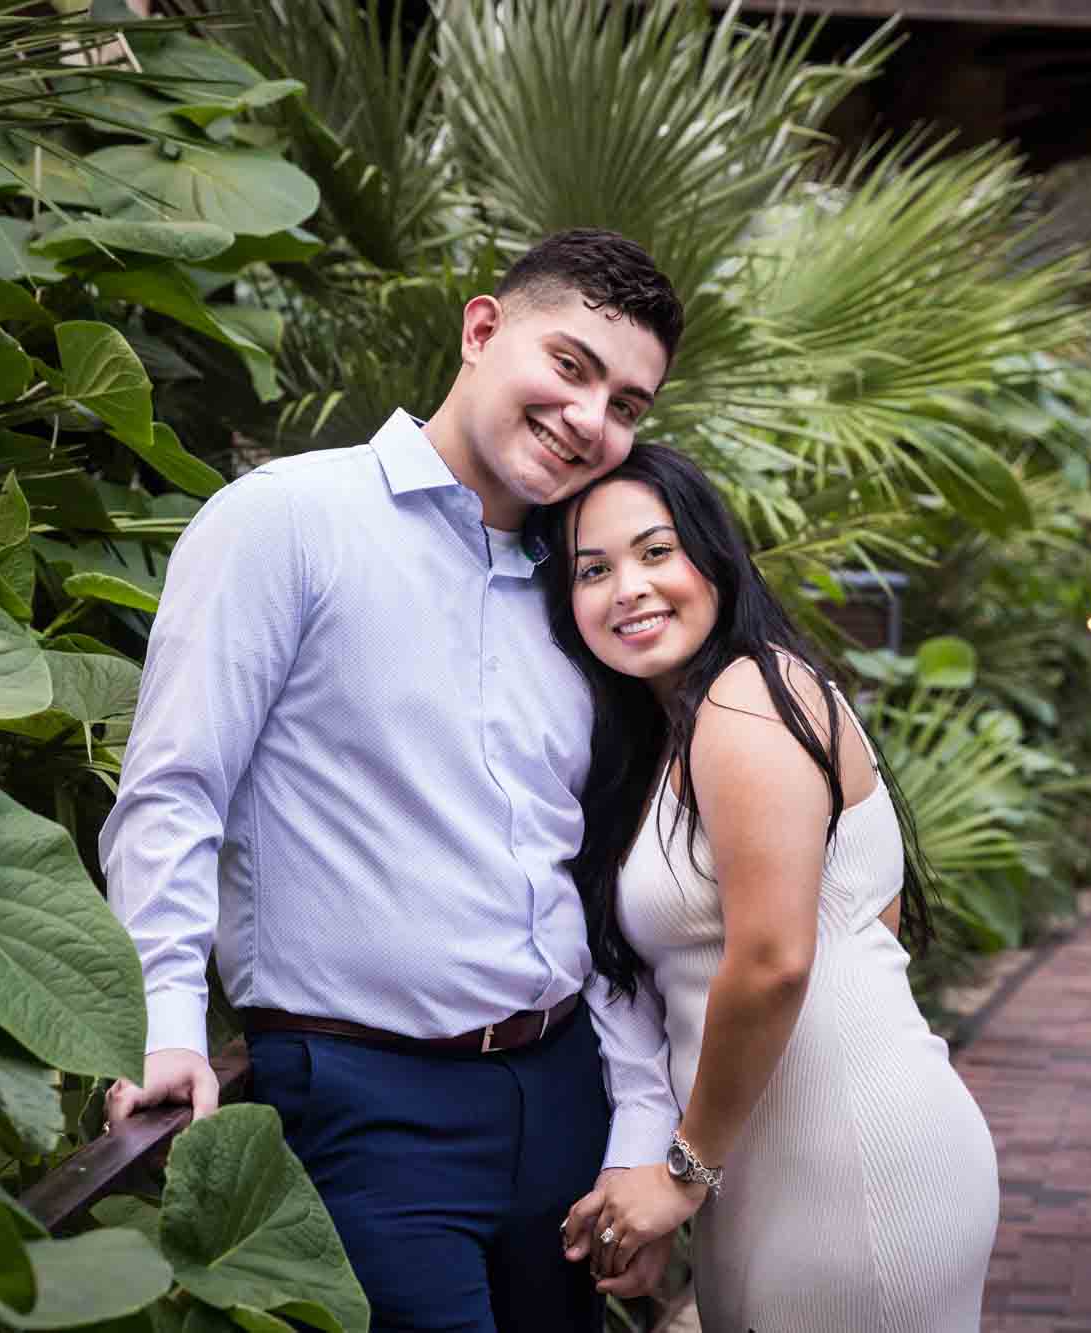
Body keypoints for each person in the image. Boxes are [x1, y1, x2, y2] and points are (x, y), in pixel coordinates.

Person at [97, 229, 688, 1332]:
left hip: (562, 1089)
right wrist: (166, 1026)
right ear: (479, 329)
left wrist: (637, 1131)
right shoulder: (287, 519)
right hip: (364, 1103)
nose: (589, 420)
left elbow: (591, 871)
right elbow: (176, 787)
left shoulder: (582, 588)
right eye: (568, 366)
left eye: (626, 404)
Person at [548, 445, 1001, 1331]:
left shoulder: (748, 697)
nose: (627, 587)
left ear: (713, 557)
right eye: (592, 570)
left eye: (655, 551)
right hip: (759, 1170)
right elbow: (865, 916)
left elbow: (776, 960)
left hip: (851, 1165)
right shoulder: (674, 733)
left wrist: (680, 1175)